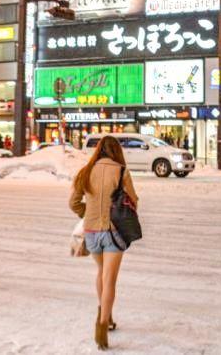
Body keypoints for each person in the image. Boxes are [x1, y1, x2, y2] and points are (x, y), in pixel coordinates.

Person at [69, 136, 139, 350]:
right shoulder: (121, 171)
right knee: (109, 280)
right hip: (113, 231)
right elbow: (134, 200)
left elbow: (73, 202)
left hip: (91, 232)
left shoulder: (85, 171)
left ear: (98, 150)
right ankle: (101, 327)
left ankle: (106, 316)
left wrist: (88, 214)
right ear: (117, 151)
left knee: (101, 273)